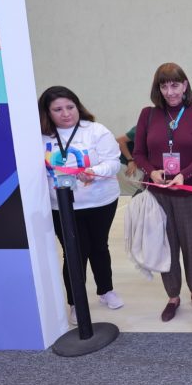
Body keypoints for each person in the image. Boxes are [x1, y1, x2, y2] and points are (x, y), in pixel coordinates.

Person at [132, 63, 192, 322]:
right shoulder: (148, 115)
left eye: (175, 85)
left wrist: (183, 174)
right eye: (164, 85)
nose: (170, 91)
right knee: (166, 245)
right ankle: (173, 296)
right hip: (158, 194)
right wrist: (152, 172)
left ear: (185, 85)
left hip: (189, 191)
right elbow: (138, 153)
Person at [39, 86, 123, 326]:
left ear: (78, 106)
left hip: (100, 201)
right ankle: (76, 303)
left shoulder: (96, 130)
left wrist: (94, 172)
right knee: (74, 251)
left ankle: (105, 290)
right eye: (58, 109)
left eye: (70, 107)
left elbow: (113, 163)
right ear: (47, 113)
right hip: (61, 206)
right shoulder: (40, 136)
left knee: (99, 246)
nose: (66, 113)